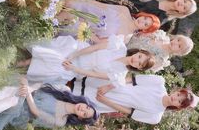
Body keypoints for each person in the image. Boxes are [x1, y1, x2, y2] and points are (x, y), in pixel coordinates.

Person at [18, 35, 155, 86]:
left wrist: (74, 68)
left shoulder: (119, 74)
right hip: (79, 51)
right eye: (139, 57)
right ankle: (23, 60)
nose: (135, 61)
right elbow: (94, 48)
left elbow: (94, 74)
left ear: (139, 68)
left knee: (58, 68)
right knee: (60, 55)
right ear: (139, 52)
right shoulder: (118, 46)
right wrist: (73, 55)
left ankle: (22, 67)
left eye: (139, 64)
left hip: (79, 68)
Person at [72, 75, 198, 125]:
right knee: (75, 80)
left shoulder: (155, 117)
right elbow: (130, 79)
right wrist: (109, 86)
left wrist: (105, 101)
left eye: (179, 101)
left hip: (112, 102)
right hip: (114, 87)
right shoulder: (159, 82)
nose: (175, 98)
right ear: (177, 91)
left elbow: (128, 111)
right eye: (178, 95)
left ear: (178, 107)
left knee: (74, 98)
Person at [59, 0, 161, 41]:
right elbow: (101, 5)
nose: (142, 21)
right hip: (87, 10)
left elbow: (99, 41)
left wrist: (84, 27)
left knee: (70, 17)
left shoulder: (125, 38)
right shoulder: (125, 10)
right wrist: (82, 1)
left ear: (144, 30)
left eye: (145, 24)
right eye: (145, 18)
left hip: (84, 28)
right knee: (70, 3)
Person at [127, 31, 194, 71]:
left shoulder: (161, 59)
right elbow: (143, 31)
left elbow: (140, 65)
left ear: (178, 52)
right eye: (178, 40)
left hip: (126, 51)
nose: (175, 43)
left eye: (179, 46)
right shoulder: (162, 35)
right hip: (128, 35)